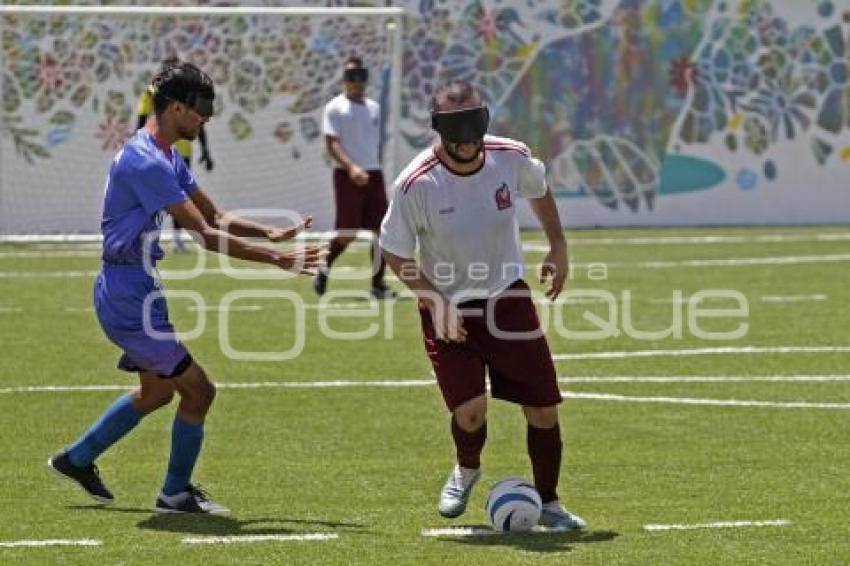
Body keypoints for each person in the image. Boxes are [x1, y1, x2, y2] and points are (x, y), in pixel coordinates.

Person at [48, 62, 322, 514]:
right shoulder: (147, 161)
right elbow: (206, 237)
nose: (206, 119)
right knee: (200, 392)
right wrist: (279, 260)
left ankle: (76, 459)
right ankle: (174, 494)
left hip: (136, 289)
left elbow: (215, 216)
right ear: (176, 107)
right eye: (200, 110)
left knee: (157, 392)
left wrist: (268, 233)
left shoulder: (167, 155)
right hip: (127, 297)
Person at [379, 81, 586, 530]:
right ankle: (467, 468)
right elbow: (395, 253)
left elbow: (539, 187)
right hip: (447, 306)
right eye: (457, 127)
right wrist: (435, 301)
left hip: (507, 300)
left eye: (476, 123)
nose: (468, 138)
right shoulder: (415, 183)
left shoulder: (509, 156)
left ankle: (549, 503)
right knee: (470, 412)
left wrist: (558, 245)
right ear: (438, 129)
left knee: (543, 408)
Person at [316, 55, 395, 299]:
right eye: (351, 76)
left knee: (383, 232)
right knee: (347, 233)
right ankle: (323, 268)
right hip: (347, 175)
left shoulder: (374, 108)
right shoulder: (335, 108)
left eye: (361, 76)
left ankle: (378, 284)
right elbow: (332, 143)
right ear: (344, 79)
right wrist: (351, 168)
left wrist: (373, 166)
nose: (356, 82)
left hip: (374, 173)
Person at [137, 56, 214, 254]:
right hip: (157, 151)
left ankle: (178, 239)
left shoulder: (188, 98)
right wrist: (138, 147)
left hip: (180, 151)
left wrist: (206, 150)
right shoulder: (152, 92)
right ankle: (150, 239)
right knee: (163, 199)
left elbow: (198, 120)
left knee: (180, 199)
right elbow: (141, 120)